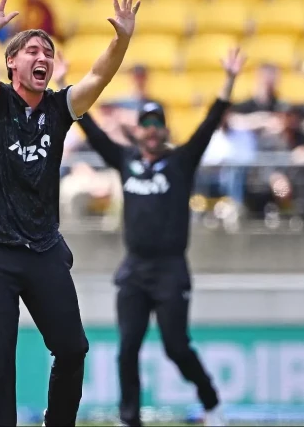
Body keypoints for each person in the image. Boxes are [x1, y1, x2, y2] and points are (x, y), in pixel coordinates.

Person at [0, 0, 140, 426]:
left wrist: (121, 41)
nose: (42, 57)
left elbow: (98, 77)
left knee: (72, 348)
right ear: (13, 62)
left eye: (48, 51)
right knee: (0, 360)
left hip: (42, 248)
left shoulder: (60, 108)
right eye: (32, 51)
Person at [63, 47, 246, 427]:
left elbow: (211, 122)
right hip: (134, 270)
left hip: (170, 270)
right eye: (145, 124)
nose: (150, 130)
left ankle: (212, 404)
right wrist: (63, 82)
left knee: (176, 347)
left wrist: (228, 80)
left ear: (163, 130)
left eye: (156, 124)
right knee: (127, 349)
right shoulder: (126, 160)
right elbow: (90, 127)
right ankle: (129, 418)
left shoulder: (180, 162)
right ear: (139, 129)